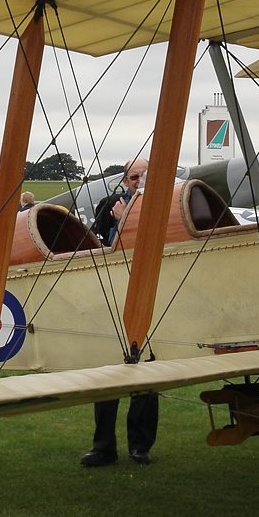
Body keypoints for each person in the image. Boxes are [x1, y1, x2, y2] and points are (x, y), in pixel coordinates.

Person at [80, 157, 159, 467]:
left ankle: (139, 446)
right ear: (126, 181)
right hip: (113, 295)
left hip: (148, 295)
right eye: (134, 177)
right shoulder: (108, 204)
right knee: (107, 371)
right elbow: (96, 244)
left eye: (145, 176)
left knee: (148, 371)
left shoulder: (159, 207)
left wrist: (128, 219)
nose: (139, 181)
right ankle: (103, 447)